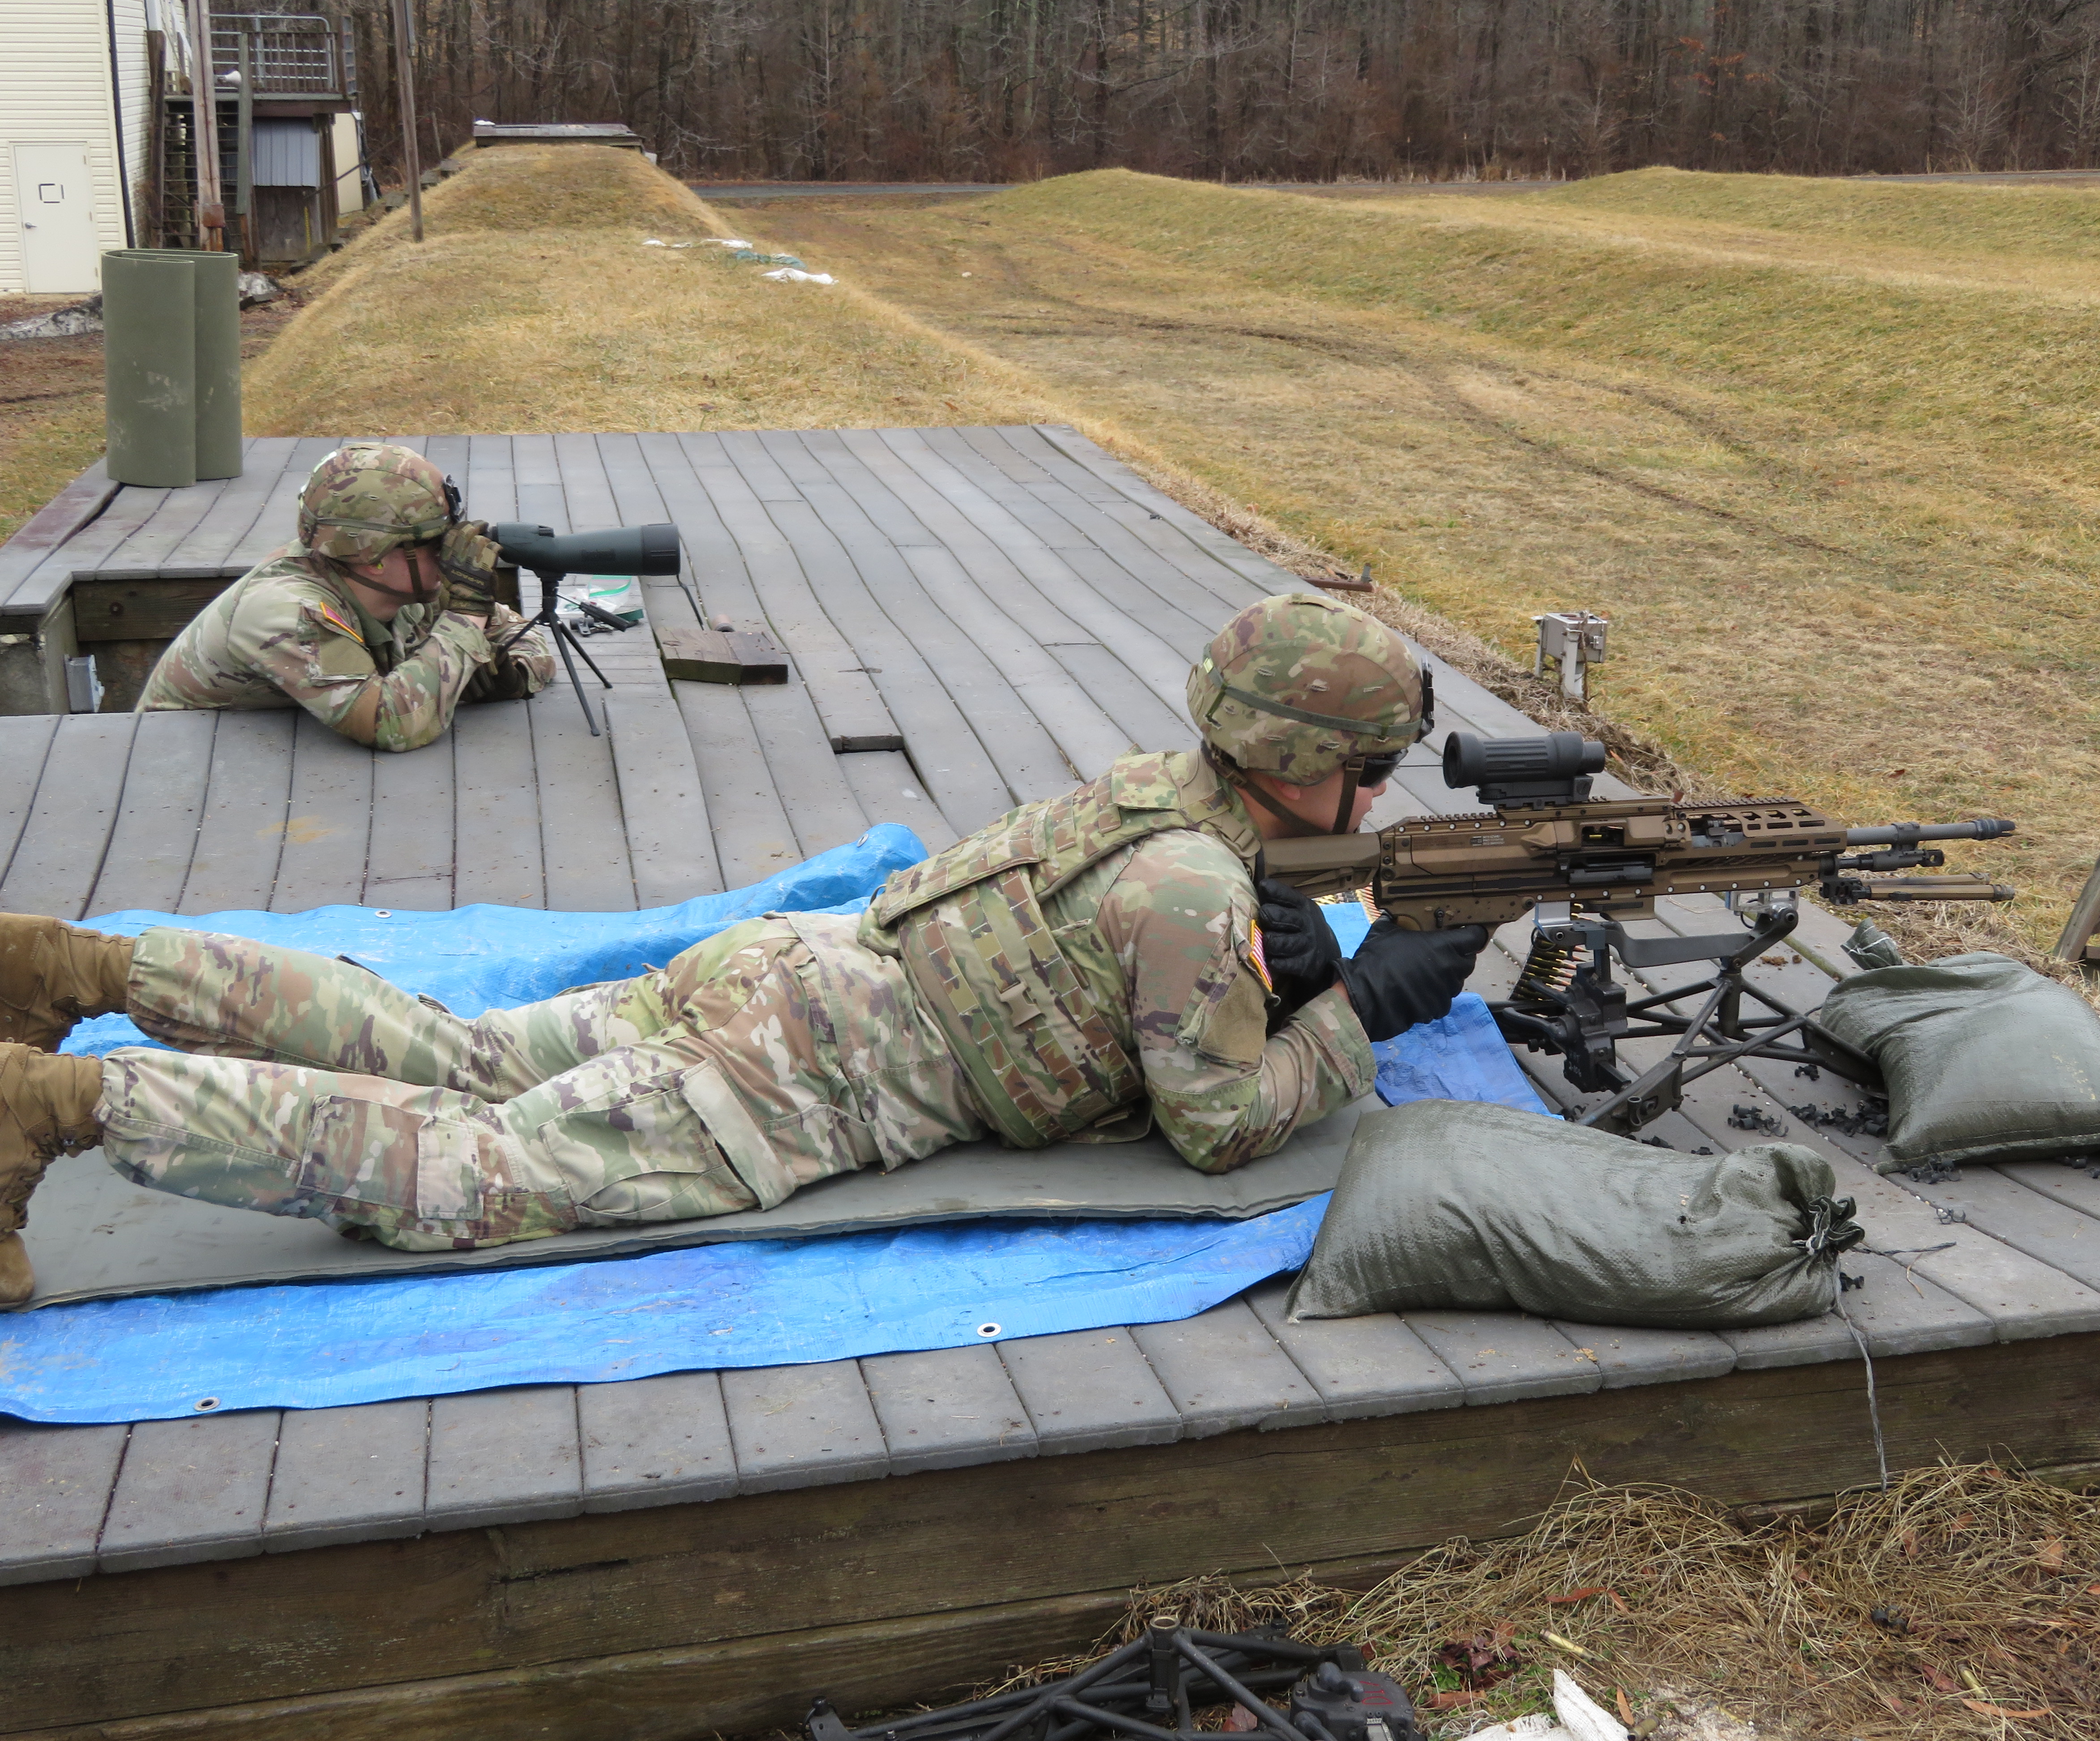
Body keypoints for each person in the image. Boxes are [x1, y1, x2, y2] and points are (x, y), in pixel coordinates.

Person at [0, 594, 1491, 1305]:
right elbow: (1219, 1123)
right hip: (795, 1081)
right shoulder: (1193, 891)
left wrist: (1286, 968)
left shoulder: (1157, 795)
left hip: (777, 969)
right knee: (469, 1170)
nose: (1378, 797)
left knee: (458, 1046)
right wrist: (1361, 1007)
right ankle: (56, 1107)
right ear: (1304, 755)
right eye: (1367, 767)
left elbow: (1122, 964)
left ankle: (78, 969)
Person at [137, 443, 555, 750]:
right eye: (435, 541)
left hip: (281, 752)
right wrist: (464, 620)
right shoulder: (286, 611)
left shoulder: (402, 581)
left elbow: (525, 638)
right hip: (181, 762)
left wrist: (508, 674)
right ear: (371, 555)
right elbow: (390, 724)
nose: (452, 551)